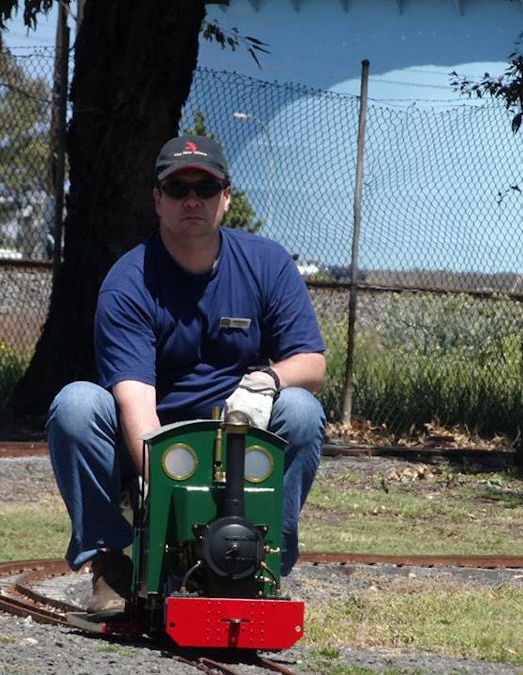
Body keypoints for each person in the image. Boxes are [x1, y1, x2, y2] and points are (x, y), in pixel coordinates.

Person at [47, 134, 327, 618]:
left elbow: (313, 363)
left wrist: (266, 382)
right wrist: (166, 486)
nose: (193, 199)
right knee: (75, 405)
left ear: (227, 197)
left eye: (206, 187)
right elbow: (135, 404)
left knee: (302, 409)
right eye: (178, 189)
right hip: (156, 435)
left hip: (239, 429)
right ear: (158, 199)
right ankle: (112, 563)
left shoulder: (268, 263)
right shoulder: (129, 282)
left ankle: (261, 566)